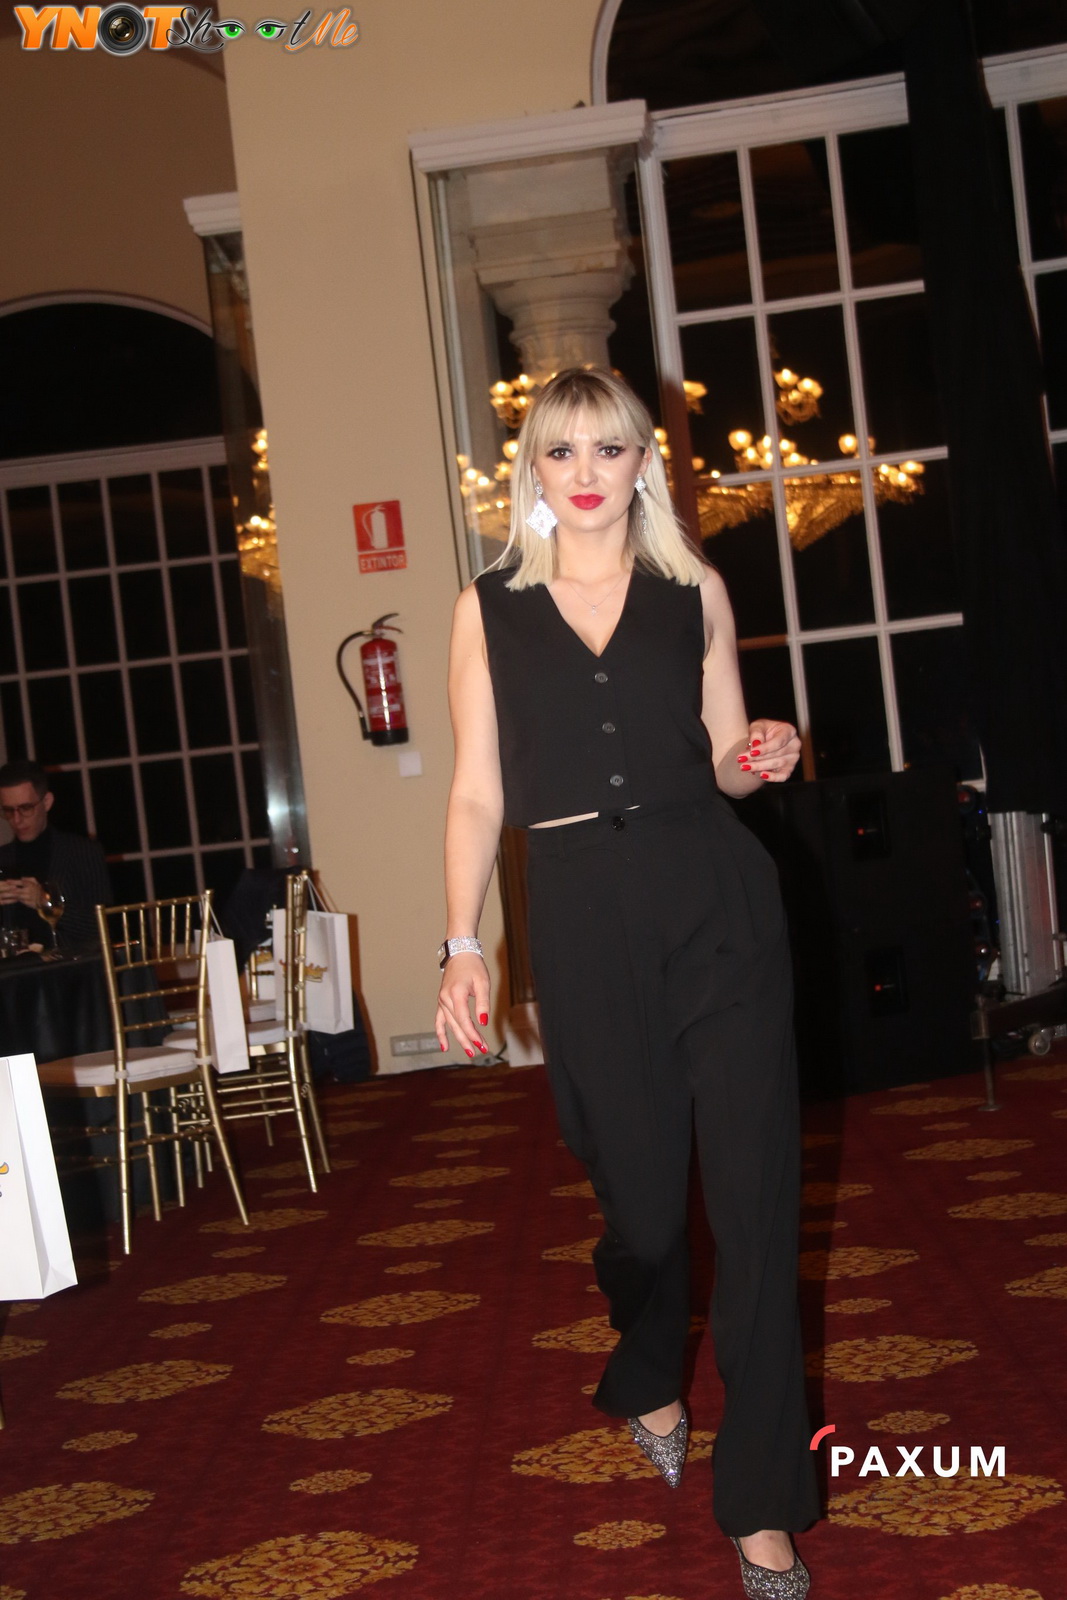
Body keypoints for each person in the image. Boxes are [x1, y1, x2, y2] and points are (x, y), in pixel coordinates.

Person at [435, 368, 818, 1598]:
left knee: (754, 1209)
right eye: (561, 451)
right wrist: (461, 941)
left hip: (717, 905)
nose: (587, 471)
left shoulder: (691, 588)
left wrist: (766, 752)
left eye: (610, 448)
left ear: (643, 463)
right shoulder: (487, 608)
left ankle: (761, 1503)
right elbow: (476, 792)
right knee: (644, 1214)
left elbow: (727, 760)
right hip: (583, 921)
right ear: (532, 473)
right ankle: (647, 1360)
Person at [0, 759, 112, 950]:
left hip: (71, 966)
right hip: (17, 968)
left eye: (26, 808)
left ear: (47, 802)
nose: (17, 820)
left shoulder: (83, 852)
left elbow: (103, 927)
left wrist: (46, 903)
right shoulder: (3, 858)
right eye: (9, 811)